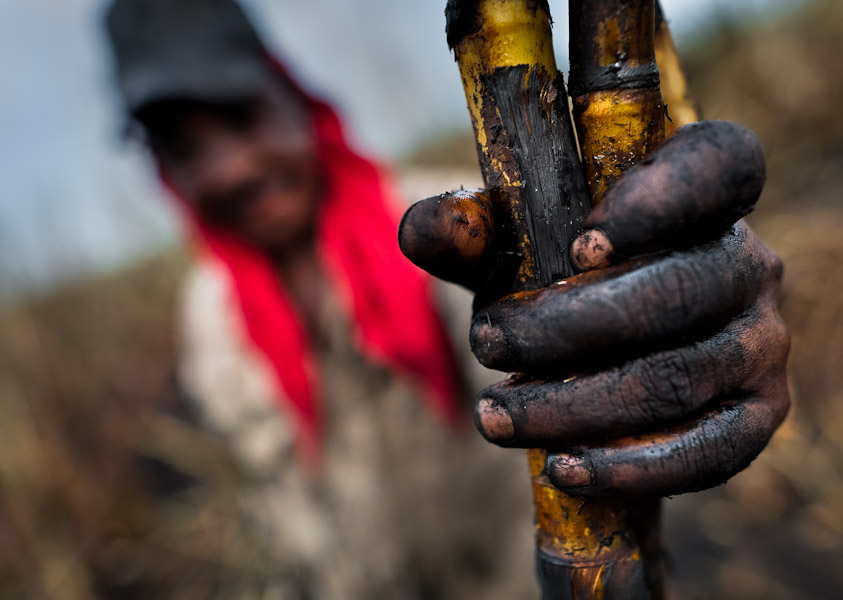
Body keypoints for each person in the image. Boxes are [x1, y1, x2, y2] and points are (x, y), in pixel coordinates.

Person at [105, 0, 790, 598]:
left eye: (242, 117)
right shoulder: (208, 314)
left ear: (295, 100)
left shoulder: (466, 229)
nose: (230, 167)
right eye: (185, 148)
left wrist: (706, 321)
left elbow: (622, 342)